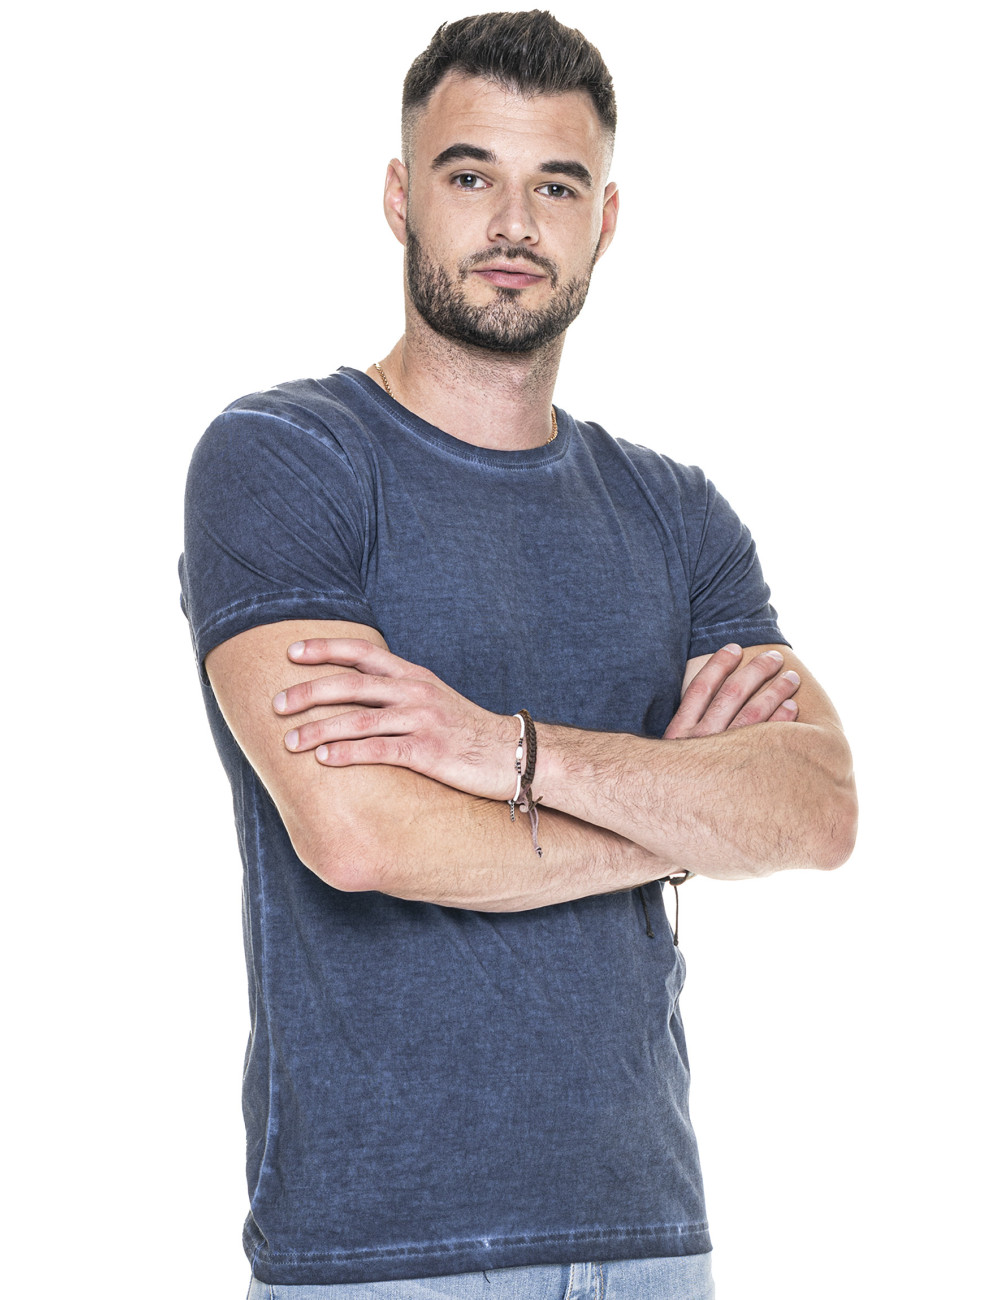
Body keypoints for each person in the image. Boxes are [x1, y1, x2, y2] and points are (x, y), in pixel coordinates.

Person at [180, 11, 857, 1298]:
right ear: (399, 198)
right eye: (468, 175)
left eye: (555, 185)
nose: (512, 224)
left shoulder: (674, 512)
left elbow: (815, 809)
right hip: (380, 1253)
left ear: (605, 220)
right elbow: (360, 834)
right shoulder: (288, 459)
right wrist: (679, 822)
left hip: (651, 1238)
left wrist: (506, 752)